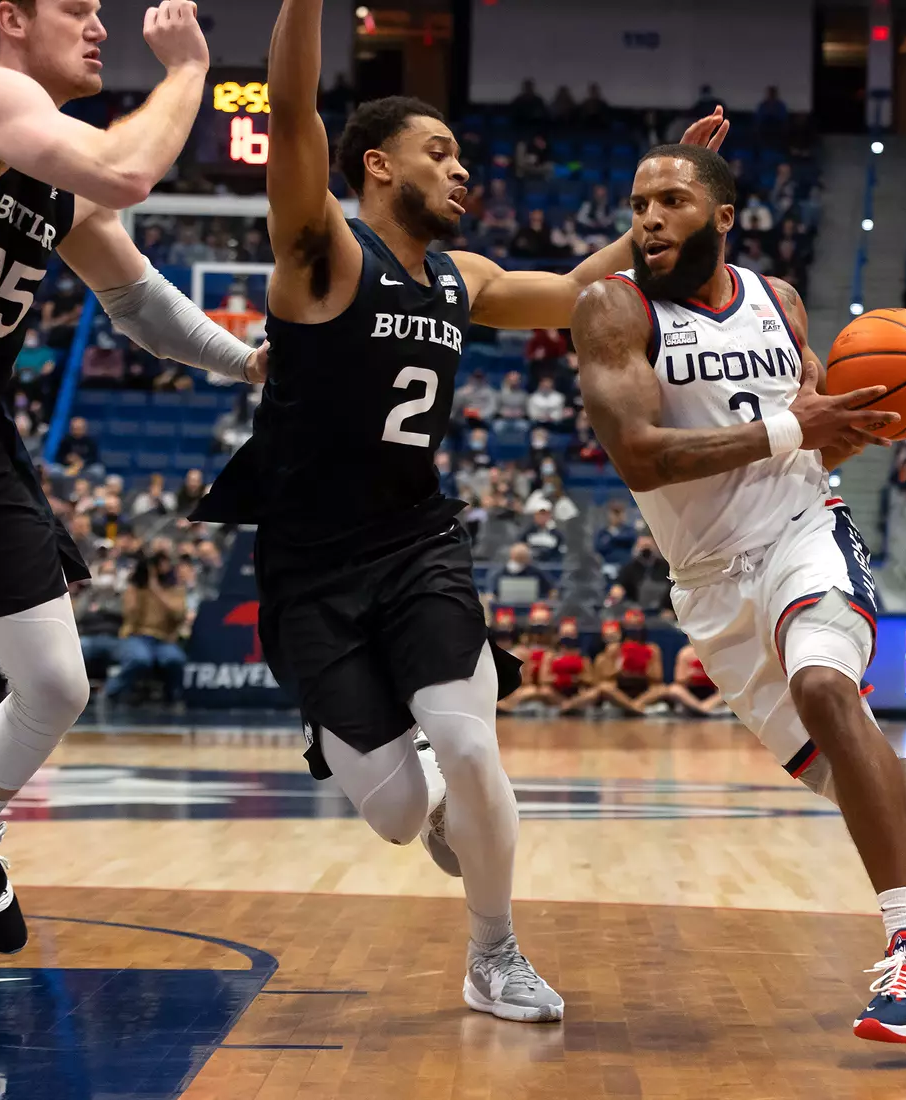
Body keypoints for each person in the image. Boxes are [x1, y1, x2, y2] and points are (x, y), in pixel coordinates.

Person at [186, 0, 733, 1023]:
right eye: (437, 152)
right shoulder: (323, 257)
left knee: (476, 744)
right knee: (399, 816)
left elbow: (576, 296)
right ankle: (434, 801)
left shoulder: (462, 278)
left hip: (419, 542)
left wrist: (665, 213)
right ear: (378, 168)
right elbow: (297, 107)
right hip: (307, 571)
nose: (460, 169)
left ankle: (495, 953)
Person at [570, 141, 906, 1043]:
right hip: (711, 587)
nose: (648, 217)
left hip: (807, 532)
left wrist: (888, 408)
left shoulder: (780, 302)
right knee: (868, 786)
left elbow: (816, 439)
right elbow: (639, 453)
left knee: (823, 685)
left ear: (723, 218)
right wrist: (788, 426)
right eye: (640, 201)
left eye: (673, 201)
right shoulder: (612, 309)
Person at [0, 0, 290, 955]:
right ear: (10, 19)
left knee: (54, 682)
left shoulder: (39, 173)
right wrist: (191, 71)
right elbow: (126, 166)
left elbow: (139, 301)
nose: (99, 26)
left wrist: (247, 363)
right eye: (77, 8)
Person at [103, 548, 188, 702]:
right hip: (136, 636)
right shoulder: (136, 588)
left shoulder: (175, 589)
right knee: (139, 659)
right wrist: (136, 584)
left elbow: (178, 613)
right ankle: (111, 693)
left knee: (175, 659)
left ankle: (173, 698)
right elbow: (130, 613)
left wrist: (155, 588)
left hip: (163, 639)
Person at [659, 641, 725, 716]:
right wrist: (690, 675)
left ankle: (704, 708)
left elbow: (723, 681)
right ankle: (701, 708)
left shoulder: (717, 652)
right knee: (674, 689)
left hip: (711, 693)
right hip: (691, 693)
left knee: (729, 690)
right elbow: (679, 680)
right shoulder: (685, 653)